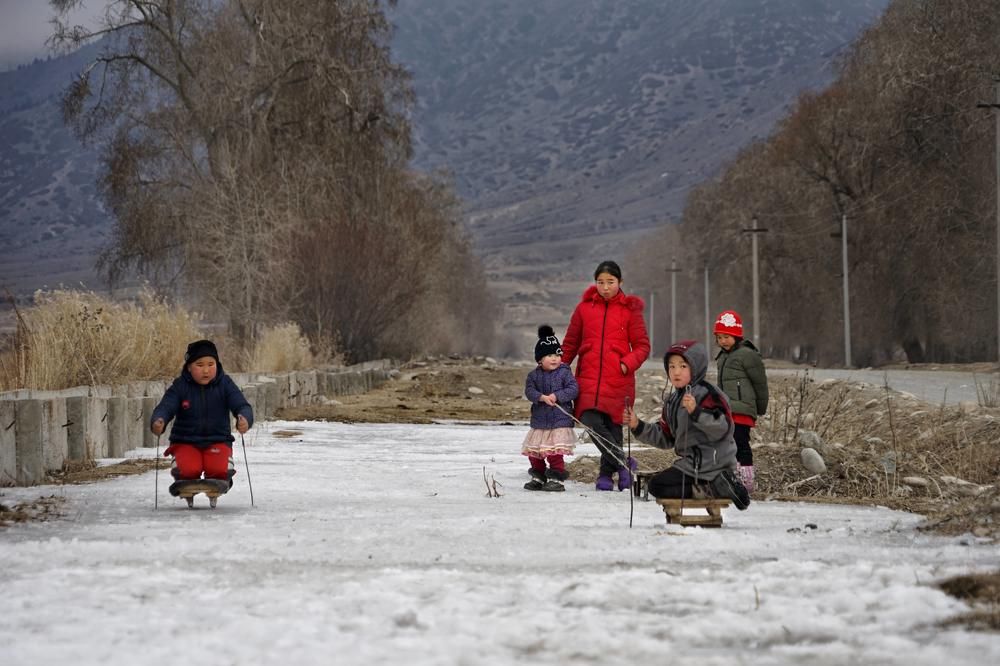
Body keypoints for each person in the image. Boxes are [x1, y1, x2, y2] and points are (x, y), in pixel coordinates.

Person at [623, 339, 750, 510]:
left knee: (658, 486)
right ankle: (714, 488)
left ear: (695, 367)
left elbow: (723, 427)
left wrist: (697, 412)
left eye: (683, 366)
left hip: (714, 464)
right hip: (692, 465)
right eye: (671, 366)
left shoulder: (708, 394)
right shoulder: (672, 401)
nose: (676, 372)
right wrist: (637, 425)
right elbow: (665, 437)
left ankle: (721, 484)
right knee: (656, 485)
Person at [561, 260, 650, 491]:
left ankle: (605, 476)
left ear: (620, 282)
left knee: (613, 427)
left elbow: (642, 346)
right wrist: (560, 368)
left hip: (618, 378)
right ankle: (624, 463)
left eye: (610, 282)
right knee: (590, 420)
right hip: (588, 377)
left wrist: (625, 364)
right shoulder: (584, 309)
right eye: (600, 282)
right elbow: (570, 343)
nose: (605, 287)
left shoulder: (630, 311)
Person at [151, 339, 253, 493]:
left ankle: (221, 480)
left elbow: (241, 404)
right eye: (200, 365)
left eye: (210, 365)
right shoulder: (180, 386)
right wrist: (159, 420)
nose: (206, 370)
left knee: (218, 470)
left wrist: (244, 418)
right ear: (189, 367)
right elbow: (166, 406)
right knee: (188, 471)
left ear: (217, 365)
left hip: (218, 441)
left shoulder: (225, 384)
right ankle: (185, 482)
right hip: (185, 442)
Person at [713, 310, 769, 493]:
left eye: (726, 337)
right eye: (719, 337)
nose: (723, 341)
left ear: (736, 335)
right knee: (727, 445)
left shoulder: (747, 355)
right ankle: (731, 478)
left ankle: (746, 481)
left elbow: (760, 383)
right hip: (727, 411)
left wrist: (760, 408)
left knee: (740, 443)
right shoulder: (722, 357)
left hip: (742, 410)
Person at [522, 325, 580, 492]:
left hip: (559, 420)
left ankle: (556, 478)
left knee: (554, 452)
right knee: (536, 452)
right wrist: (540, 397)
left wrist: (557, 396)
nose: (554, 359)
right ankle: (538, 476)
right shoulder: (534, 375)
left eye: (557, 355)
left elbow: (573, 389)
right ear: (540, 359)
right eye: (549, 355)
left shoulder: (564, 372)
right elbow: (529, 391)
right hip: (540, 421)